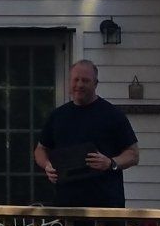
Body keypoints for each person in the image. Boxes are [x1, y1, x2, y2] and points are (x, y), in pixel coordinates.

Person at [34, 60, 140, 210]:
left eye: (85, 80)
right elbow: (40, 149)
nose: (80, 85)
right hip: (65, 206)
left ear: (95, 83)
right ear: (69, 82)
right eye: (76, 80)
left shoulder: (113, 115)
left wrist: (111, 163)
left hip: (105, 209)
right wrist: (47, 165)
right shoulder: (58, 116)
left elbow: (133, 154)